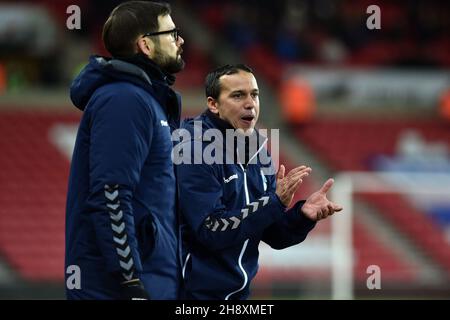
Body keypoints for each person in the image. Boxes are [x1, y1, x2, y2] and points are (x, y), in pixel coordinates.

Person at [176, 64, 343, 300]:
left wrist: (302, 216)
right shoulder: (192, 150)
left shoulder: (258, 150)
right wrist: (274, 202)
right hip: (192, 295)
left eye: (254, 94)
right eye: (238, 95)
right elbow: (210, 230)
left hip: (238, 294)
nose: (250, 103)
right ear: (213, 104)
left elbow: (271, 233)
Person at [65, 1, 185, 300]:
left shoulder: (145, 99)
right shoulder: (124, 100)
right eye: (172, 33)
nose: (180, 40)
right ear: (145, 44)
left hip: (150, 279)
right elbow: (112, 193)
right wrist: (129, 278)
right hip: (118, 288)